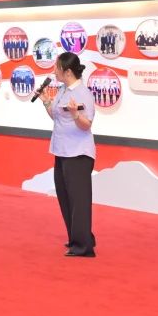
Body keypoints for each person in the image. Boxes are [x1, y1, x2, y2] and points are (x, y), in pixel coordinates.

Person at [42, 51, 97, 258]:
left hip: (78, 154)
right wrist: (46, 102)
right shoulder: (62, 90)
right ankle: (78, 237)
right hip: (61, 150)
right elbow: (56, 117)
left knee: (78, 201)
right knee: (65, 198)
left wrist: (75, 115)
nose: (53, 71)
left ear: (67, 72)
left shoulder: (84, 94)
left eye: (56, 67)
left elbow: (86, 124)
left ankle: (83, 247)